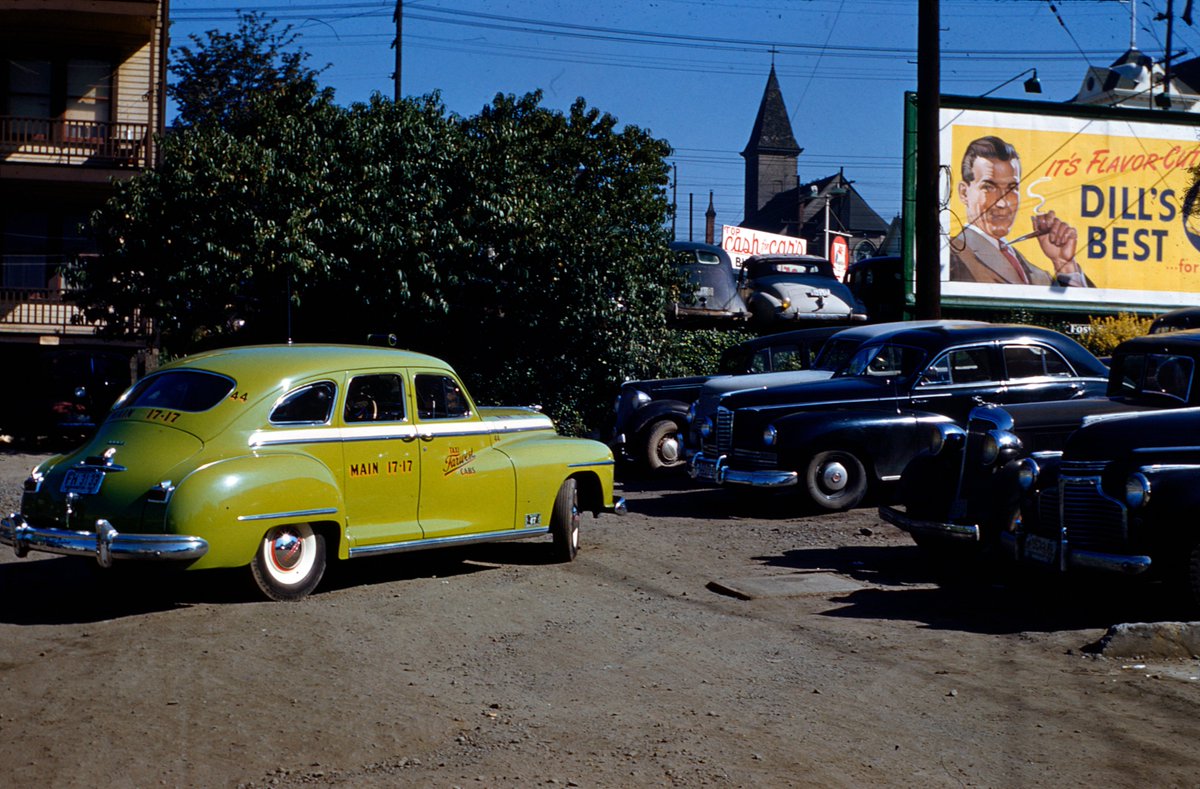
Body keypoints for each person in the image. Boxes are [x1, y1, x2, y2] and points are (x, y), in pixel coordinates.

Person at [949, 135, 1089, 287]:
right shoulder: (951, 257)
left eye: (1011, 188)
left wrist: (1064, 264)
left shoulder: (1037, 274)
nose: (1002, 202)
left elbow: (1064, 305)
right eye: (988, 187)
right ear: (964, 193)